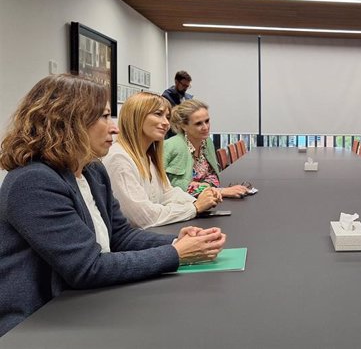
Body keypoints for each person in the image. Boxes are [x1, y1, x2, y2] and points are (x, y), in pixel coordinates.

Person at [0, 74, 227, 336]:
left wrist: (176, 241)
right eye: (103, 117)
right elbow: (87, 268)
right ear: (67, 121)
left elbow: (119, 236)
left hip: (82, 304)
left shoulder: (92, 170)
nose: (114, 128)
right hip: (38, 324)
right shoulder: (33, 182)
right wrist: (177, 254)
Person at [102, 92, 223, 229]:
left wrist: (198, 201)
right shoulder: (119, 159)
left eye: (167, 117)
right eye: (158, 114)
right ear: (137, 116)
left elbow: (167, 193)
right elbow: (144, 217)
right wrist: (194, 207)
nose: (166, 123)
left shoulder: (147, 156)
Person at [164, 99, 248, 198]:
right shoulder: (171, 146)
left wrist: (207, 186)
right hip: (181, 207)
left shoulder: (206, 141)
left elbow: (213, 175)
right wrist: (220, 191)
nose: (205, 127)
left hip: (205, 201)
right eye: (198, 123)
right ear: (184, 126)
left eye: (207, 121)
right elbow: (174, 188)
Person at [162, 70, 193, 139]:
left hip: (185, 132)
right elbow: (171, 116)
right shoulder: (166, 96)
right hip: (172, 133)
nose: (185, 88)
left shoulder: (188, 97)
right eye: (184, 85)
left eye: (187, 86)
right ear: (176, 82)